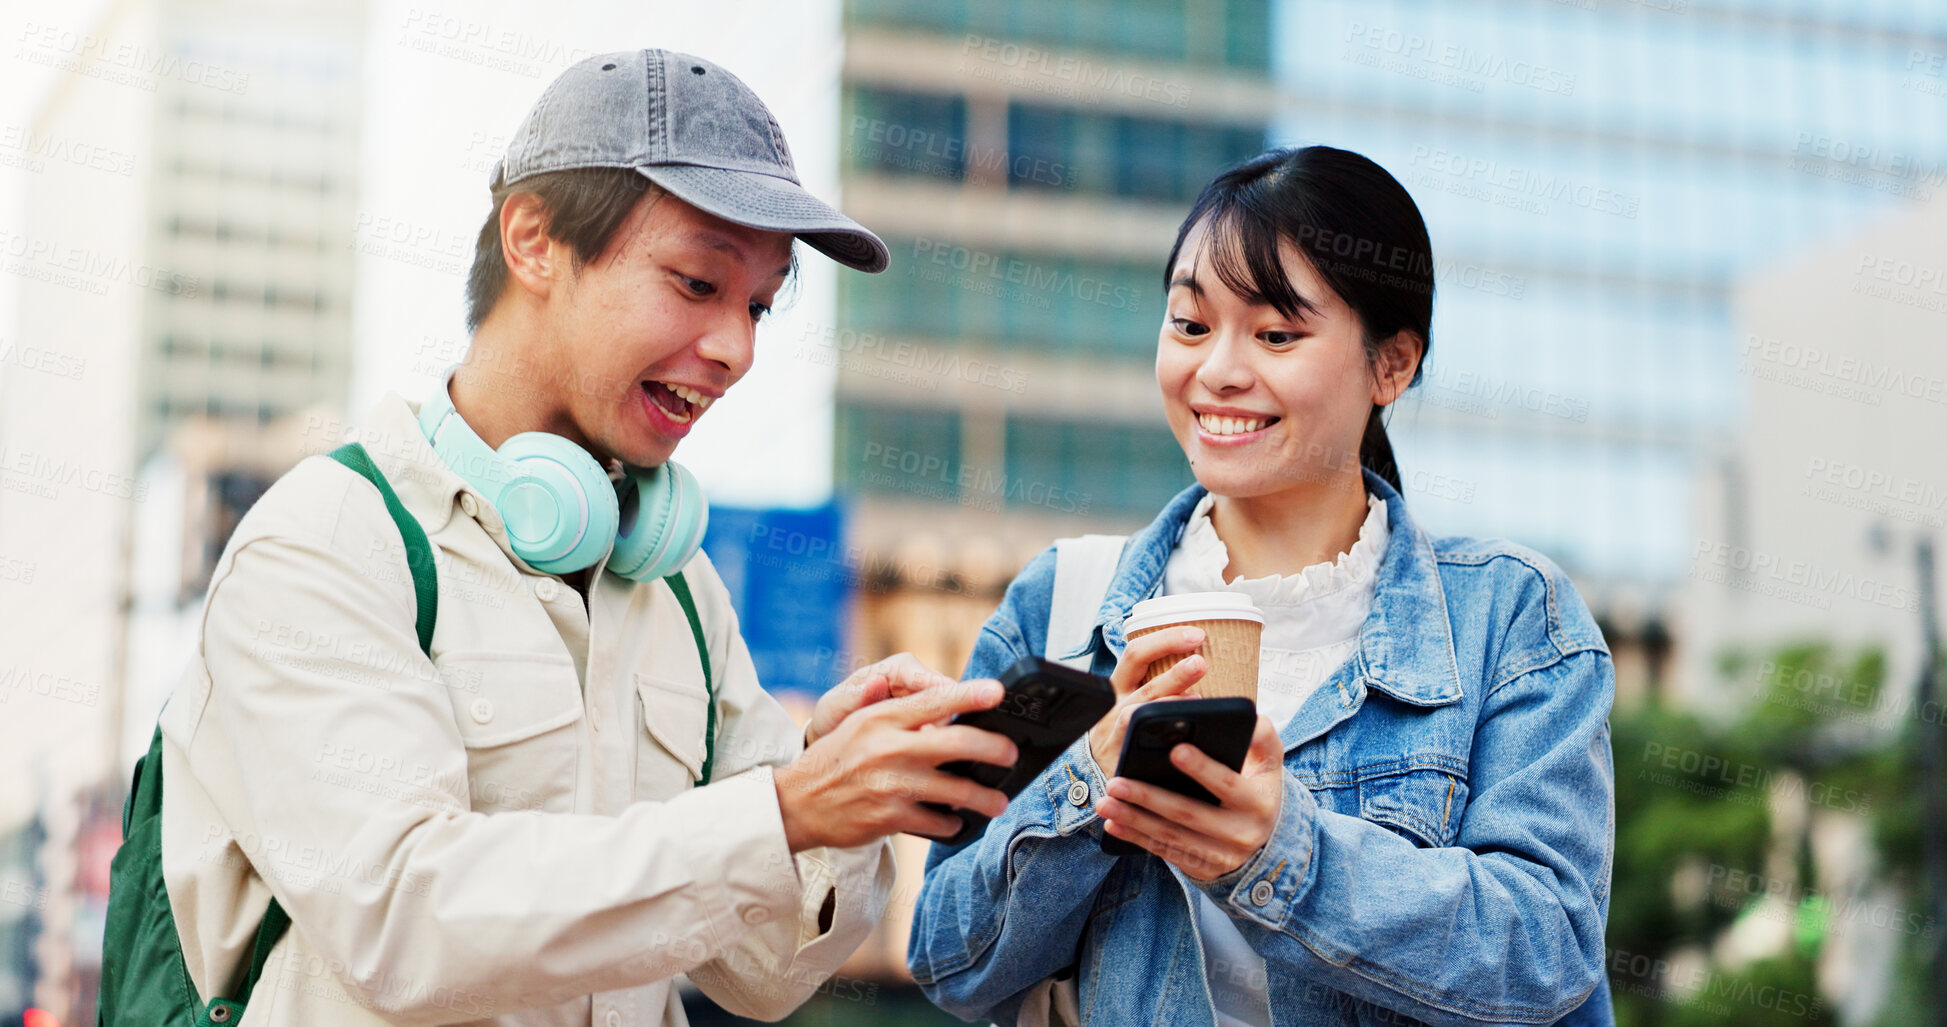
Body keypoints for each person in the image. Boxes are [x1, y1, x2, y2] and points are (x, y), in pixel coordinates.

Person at [102, 49, 1020, 1026]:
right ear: (534, 242)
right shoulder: (324, 541)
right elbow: (402, 926)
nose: (737, 350)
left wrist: (842, 800)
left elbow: (764, 970)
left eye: (757, 305)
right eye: (698, 283)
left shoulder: (679, 588)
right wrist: (784, 809)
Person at [907, 146, 1615, 1026]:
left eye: (1276, 334)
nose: (1217, 371)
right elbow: (948, 957)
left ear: (1389, 365)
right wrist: (1089, 780)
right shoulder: (1062, 605)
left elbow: (1548, 952)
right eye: (1190, 325)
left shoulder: (1510, 618)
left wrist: (1282, 854)